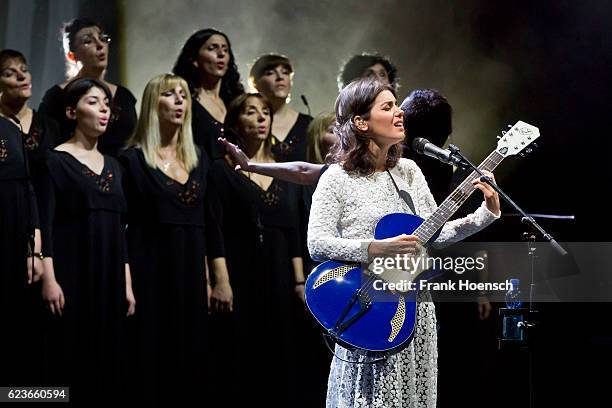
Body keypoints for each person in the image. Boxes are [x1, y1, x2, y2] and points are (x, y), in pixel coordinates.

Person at [307, 78, 500, 407]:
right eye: (387, 107)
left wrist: (485, 214)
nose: (399, 113)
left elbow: (432, 238)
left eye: (397, 106)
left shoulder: (409, 171)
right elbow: (317, 244)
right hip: (366, 304)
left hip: (415, 306)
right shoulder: (336, 178)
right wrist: (375, 248)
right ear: (360, 122)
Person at [37, 78, 135, 403]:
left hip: (110, 273)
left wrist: (127, 283)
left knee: (110, 358)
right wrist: (49, 279)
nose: (103, 110)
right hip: (72, 272)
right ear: (71, 111)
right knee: (71, 354)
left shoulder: (116, 166)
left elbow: (121, 227)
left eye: (106, 104)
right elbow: (45, 223)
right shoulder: (54, 160)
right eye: (93, 102)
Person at [206, 92, 305, 406]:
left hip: (279, 274)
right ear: (236, 122)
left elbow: (293, 231)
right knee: (242, 353)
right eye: (251, 112)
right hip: (240, 270)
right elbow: (214, 229)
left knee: (282, 352)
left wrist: (299, 281)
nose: (262, 117)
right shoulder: (219, 170)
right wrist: (221, 281)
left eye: (265, 112)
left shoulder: (283, 170)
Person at [120, 74, 208, 405]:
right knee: (153, 349)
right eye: (169, 95)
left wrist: (214, 276)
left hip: (190, 267)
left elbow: (206, 224)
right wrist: (126, 280)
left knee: (192, 349)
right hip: (150, 268)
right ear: (152, 104)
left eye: (183, 95)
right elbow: (123, 225)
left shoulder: (198, 158)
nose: (179, 101)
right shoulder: (131, 160)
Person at [39, 18, 137, 157]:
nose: (100, 45)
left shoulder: (124, 96)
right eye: (88, 41)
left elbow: (134, 142)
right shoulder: (57, 97)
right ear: (72, 56)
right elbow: (48, 149)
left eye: (103, 39)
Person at [173, 28, 245, 160]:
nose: (221, 54)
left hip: (238, 177)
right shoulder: (184, 102)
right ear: (194, 59)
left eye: (225, 49)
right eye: (212, 48)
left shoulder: (236, 100)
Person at [249, 53, 312, 162]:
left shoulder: (309, 124)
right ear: (255, 83)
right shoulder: (247, 123)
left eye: (285, 72)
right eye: (270, 73)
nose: (280, 77)